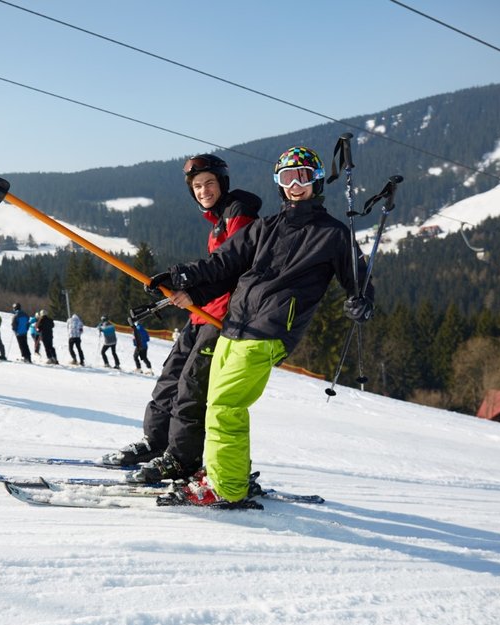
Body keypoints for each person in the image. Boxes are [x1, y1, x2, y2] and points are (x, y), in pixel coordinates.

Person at [149, 146, 374, 507]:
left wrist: (360, 301)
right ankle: (228, 471)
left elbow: (358, 283)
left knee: (226, 406)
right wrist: (180, 277)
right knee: (217, 406)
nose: (295, 185)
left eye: (302, 176)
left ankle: (227, 488)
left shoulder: (333, 234)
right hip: (235, 325)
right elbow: (222, 264)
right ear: (279, 184)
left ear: (316, 180)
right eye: (287, 177)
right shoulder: (267, 227)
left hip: (270, 331)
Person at [102, 154, 260, 488]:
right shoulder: (218, 220)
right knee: (170, 377)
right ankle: (158, 441)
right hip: (200, 316)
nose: (203, 191)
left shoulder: (239, 214)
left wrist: (186, 282)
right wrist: (188, 293)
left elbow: (230, 265)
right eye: (197, 186)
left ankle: (183, 459)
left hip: (223, 319)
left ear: (223, 184)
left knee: (192, 386)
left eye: (209, 184)